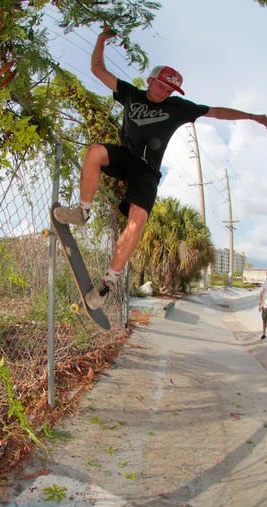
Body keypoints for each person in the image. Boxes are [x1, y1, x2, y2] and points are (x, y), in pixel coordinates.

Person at [54, 28, 267, 311]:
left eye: (168, 90)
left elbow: (216, 111)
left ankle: (107, 282)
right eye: (160, 86)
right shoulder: (129, 93)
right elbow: (96, 68)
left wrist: (254, 117)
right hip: (124, 157)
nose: (162, 93)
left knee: (138, 219)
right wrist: (101, 39)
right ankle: (82, 213)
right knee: (95, 151)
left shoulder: (178, 107)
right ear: (150, 80)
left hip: (147, 170)